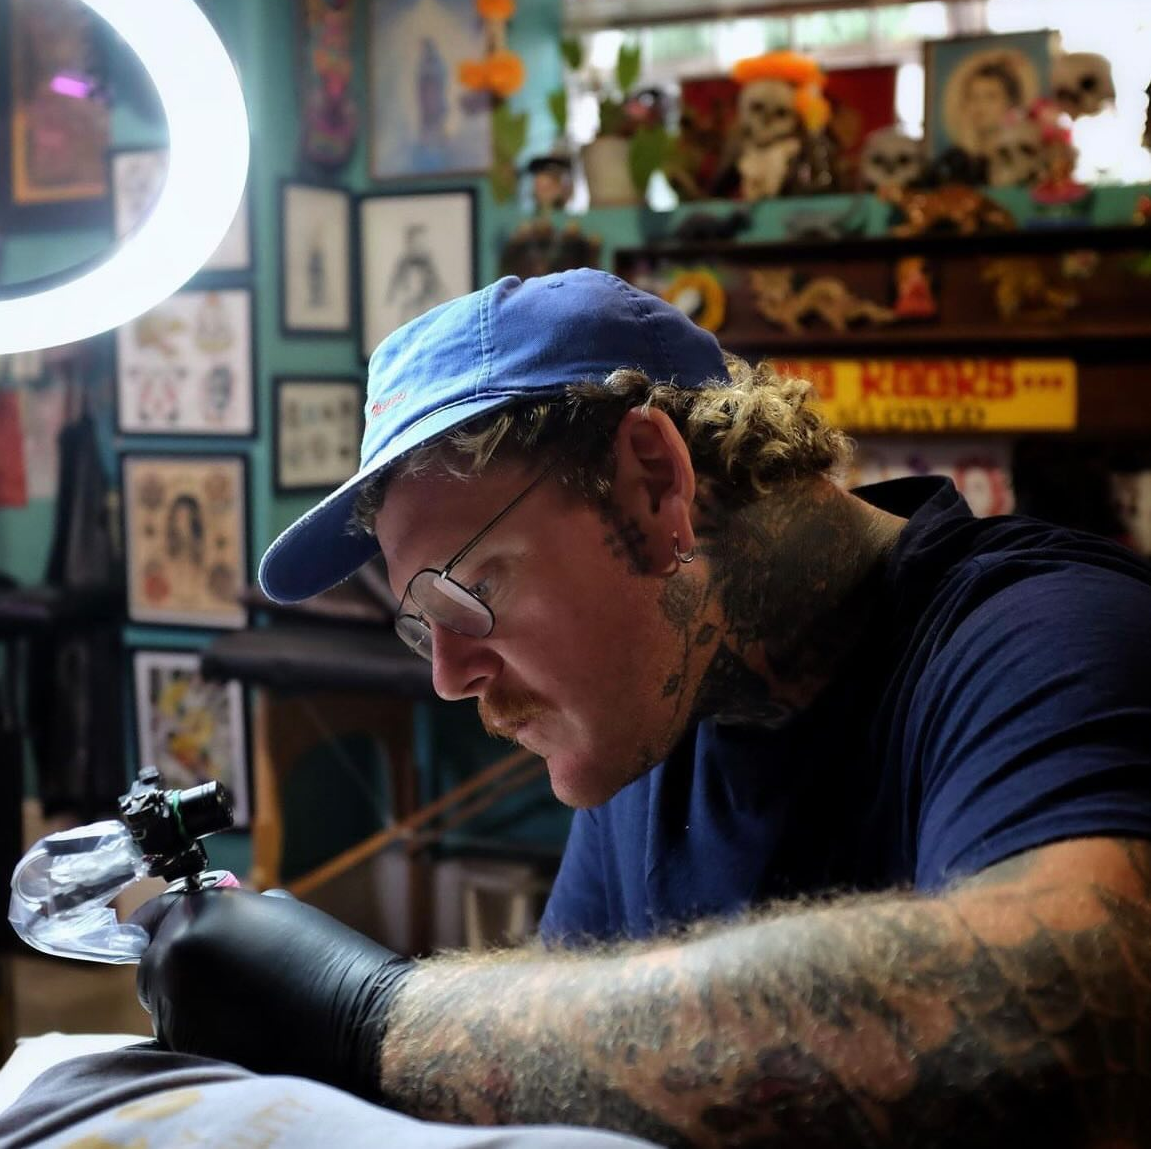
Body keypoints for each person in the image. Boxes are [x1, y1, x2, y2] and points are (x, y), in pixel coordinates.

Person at [128, 269, 1149, 1145]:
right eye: (420, 621)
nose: (448, 673)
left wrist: (376, 1019)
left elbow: (1082, 1026)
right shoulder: (650, 721)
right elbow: (590, 1099)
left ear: (654, 482)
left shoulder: (1051, 636)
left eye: (466, 589)